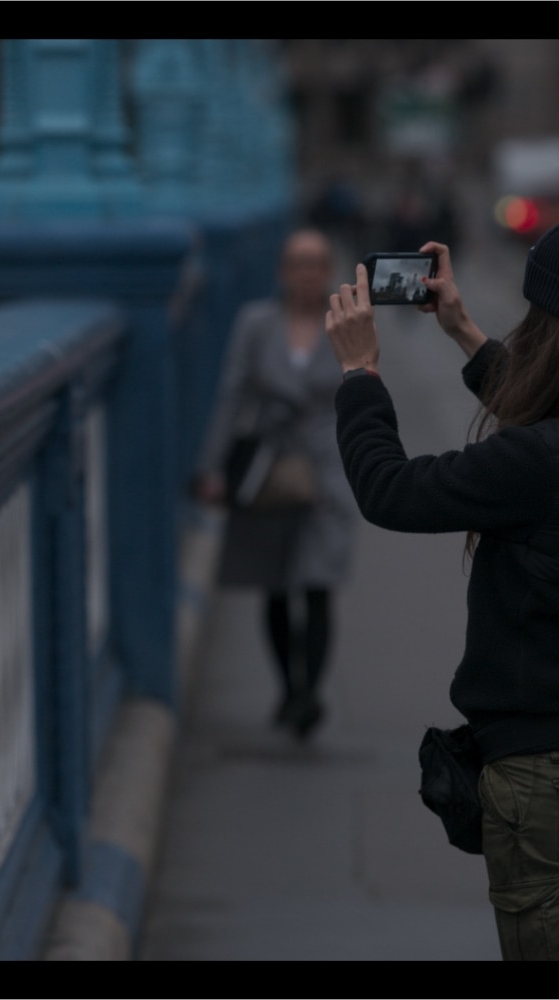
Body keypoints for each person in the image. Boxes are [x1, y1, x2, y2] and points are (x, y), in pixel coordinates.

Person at [324, 210, 559, 960]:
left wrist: (360, 375)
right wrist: (464, 331)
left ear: (552, 325)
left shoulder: (538, 464)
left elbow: (392, 492)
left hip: (552, 771)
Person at [194, 229, 355, 739]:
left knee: (319, 582)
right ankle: (287, 686)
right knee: (276, 584)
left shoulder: (348, 323)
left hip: (329, 466)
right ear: (283, 271)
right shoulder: (255, 324)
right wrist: (213, 467)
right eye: (298, 262)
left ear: (328, 269)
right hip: (270, 464)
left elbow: (368, 391)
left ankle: (311, 695)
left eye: (317, 262)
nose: (307, 272)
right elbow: (230, 394)